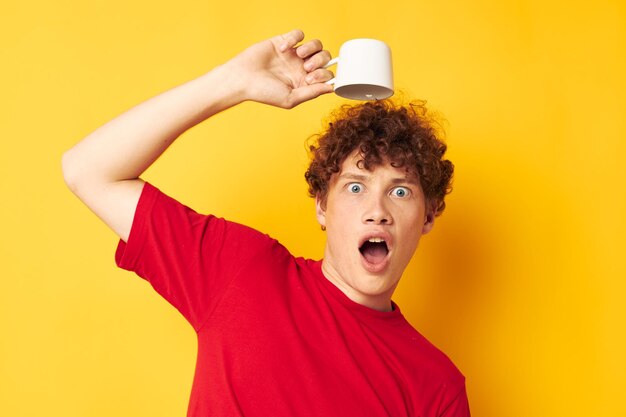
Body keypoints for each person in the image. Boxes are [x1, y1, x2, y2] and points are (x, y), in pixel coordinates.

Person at [62, 29, 470, 417]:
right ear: (322, 207)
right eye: (355, 187)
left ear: (429, 215)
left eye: (400, 192)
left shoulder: (437, 386)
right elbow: (88, 170)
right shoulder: (242, 270)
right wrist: (233, 83)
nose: (377, 210)